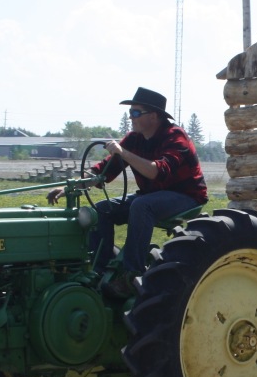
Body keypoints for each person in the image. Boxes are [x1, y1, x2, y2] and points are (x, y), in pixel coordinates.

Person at [49, 87, 207, 299]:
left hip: (185, 196)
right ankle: (101, 269)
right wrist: (72, 185)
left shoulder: (175, 137)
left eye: (135, 113)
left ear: (153, 116)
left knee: (141, 206)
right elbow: (105, 170)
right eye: (129, 113)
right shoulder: (134, 139)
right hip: (152, 195)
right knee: (102, 209)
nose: (130, 118)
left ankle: (131, 274)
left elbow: (156, 171)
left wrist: (123, 152)